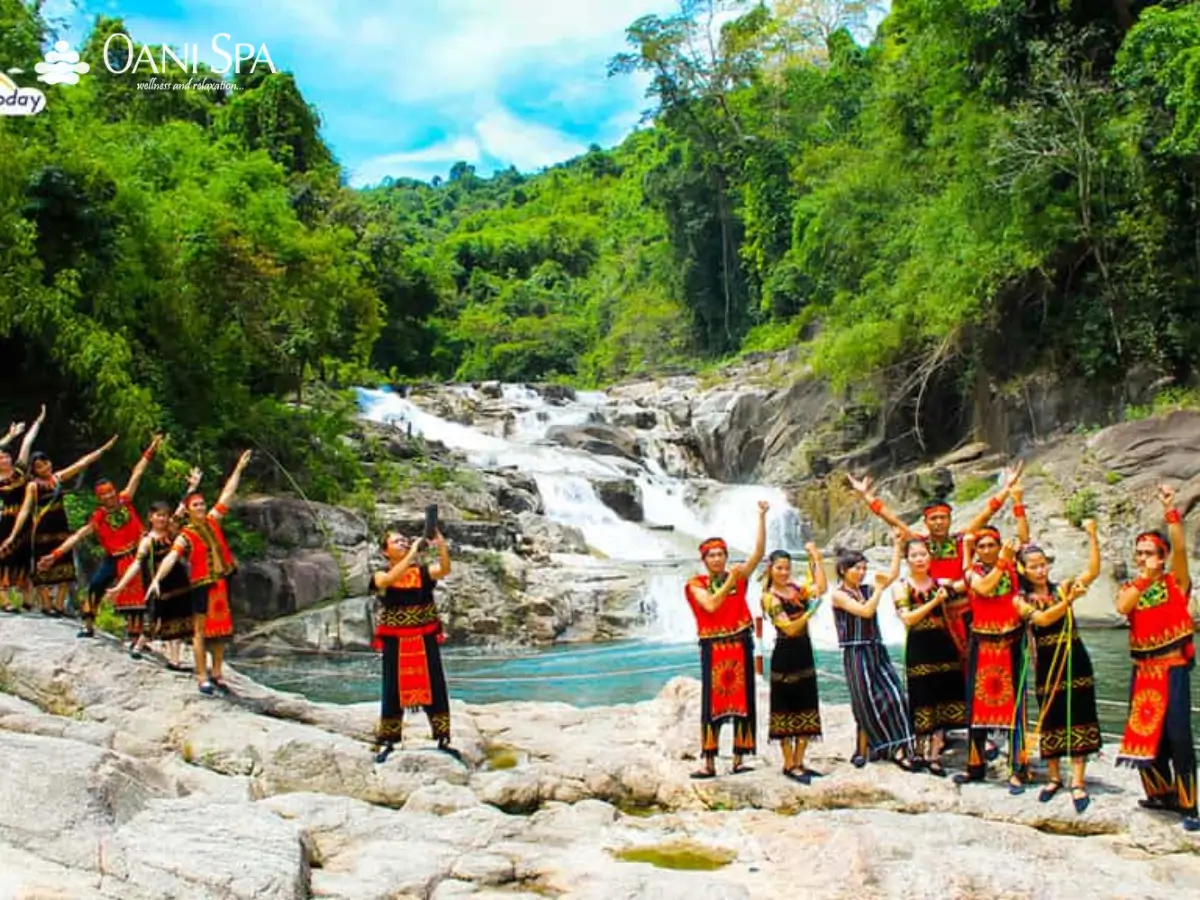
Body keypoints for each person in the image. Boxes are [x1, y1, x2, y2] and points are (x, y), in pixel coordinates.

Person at [1114, 484, 1198, 832]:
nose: (1142, 558)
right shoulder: (1132, 588)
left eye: (1149, 553)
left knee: (1178, 734)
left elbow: (1180, 548)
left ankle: (1190, 803)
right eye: (1139, 553)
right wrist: (1142, 580)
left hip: (1172, 668)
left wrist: (1171, 511)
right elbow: (1123, 608)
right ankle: (1160, 793)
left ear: (1161, 558)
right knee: (1146, 733)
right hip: (1143, 670)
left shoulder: (1175, 583)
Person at [1012, 505, 1102, 814]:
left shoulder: (1060, 587)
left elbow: (1091, 572)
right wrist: (1069, 601)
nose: (1040, 570)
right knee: (1050, 715)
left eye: (1043, 565)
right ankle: (1053, 777)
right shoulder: (1020, 599)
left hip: (1074, 656)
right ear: (1022, 569)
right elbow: (1044, 619)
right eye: (1033, 566)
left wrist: (1092, 536)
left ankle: (1078, 780)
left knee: (1079, 712)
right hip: (1046, 661)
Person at [37, 435, 162, 643]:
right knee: (95, 586)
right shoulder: (99, 516)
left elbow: (137, 473)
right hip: (114, 558)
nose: (109, 496)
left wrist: (151, 449)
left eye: (111, 492)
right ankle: (88, 626)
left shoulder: (125, 499)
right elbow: (78, 535)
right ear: (99, 497)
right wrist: (55, 554)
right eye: (104, 494)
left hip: (138, 555)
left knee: (140, 597)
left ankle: (137, 639)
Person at [146, 450, 251, 695]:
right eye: (196, 505)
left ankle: (217, 673)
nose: (201, 507)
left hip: (220, 581)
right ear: (189, 510)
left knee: (222, 630)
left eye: (202, 503)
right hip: (201, 585)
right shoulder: (186, 534)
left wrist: (238, 469)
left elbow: (227, 494)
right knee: (200, 632)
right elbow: (171, 557)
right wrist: (156, 580)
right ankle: (201, 675)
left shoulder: (213, 520)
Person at [684, 501, 769, 779]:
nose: (718, 559)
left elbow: (758, 554)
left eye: (721, 554)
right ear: (705, 560)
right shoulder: (695, 584)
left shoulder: (738, 576)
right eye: (712, 556)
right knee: (713, 702)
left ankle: (739, 758)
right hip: (714, 646)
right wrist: (731, 583)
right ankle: (708, 761)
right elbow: (709, 606)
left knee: (744, 700)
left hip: (740, 641)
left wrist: (761, 517)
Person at [0, 434, 119, 616]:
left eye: (46, 463)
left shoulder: (58, 478)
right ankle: (46, 603)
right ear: (34, 470)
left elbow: (81, 464)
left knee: (66, 567)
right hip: (40, 532)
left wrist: (103, 450)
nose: (45, 468)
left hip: (61, 529)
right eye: (39, 467)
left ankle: (60, 605)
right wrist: (14, 535)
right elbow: (24, 511)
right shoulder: (33, 486)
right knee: (41, 568)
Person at [104, 468, 204, 671]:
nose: (163, 519)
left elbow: (182, 508)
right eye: (158, 516)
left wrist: (193, 487)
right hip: (158, 585)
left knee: (178, 619)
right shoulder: (147, 541)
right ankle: (139, 646)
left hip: (178, 581)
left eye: (165, 516)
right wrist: (119, 587)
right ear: (150, 517)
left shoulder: (172, 530)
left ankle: (174, 661)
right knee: (155, 619)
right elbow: (136, 565)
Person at [956, 526, 1031, 792]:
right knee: (977, 706)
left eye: (991, 545)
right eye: (982, 547)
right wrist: (1002, 561)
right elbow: (985, 590)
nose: (986, 550)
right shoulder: (972, 573)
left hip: (1010, 644)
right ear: (976, 552)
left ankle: (1017, 770)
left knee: (1015, 706)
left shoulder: (1014, 569)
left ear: (999, 546)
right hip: (983, 645)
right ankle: (975, 766)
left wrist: (1018, 501)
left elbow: (1026, 541)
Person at [831, 536, 916, 770]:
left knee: (895, 695)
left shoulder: (867, 589)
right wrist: (878, 589)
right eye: (857, 568)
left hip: (876, 648)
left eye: (864, 568)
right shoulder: (839, 594)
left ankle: (899, 746)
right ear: (843, 570)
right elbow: (866, 612)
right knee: (865, 701)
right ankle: (865, 748)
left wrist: (898, 548)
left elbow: (891, 575)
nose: (862, 572)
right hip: (856, 651)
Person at [371, 528, 454, 763]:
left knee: (435, 684)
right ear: (385, 552)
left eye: (405, 541)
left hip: (423, 635)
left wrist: (441, 546)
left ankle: (442, 736)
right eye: (397, 542)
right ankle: (389, 739)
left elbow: (445, 569)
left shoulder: (423, 573)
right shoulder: (380, 574)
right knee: (392, 688)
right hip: (396, 639)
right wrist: (413, 554)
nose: (404, 543)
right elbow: (388, 581)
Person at [892, 537, 965, 775]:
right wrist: (935, 600)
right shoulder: (902, 586)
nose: (919, 559)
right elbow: (909, 619)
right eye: (914, 555)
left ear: (930, 557)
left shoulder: (941, 582)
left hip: (943, 646)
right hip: (919, 647)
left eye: (923, 554)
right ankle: (918, 751)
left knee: (943, 697)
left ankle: (935, 755)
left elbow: (967, 584)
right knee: (921, 696)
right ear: (907, 559)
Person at [762, 543, 827, 784]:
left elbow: (820, 588)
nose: (784, 572)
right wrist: (810, 613)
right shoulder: (769, 597)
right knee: (785, 708)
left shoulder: (795, 590)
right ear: (771, 569)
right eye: (779, 568)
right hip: (785, 653)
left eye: (787, 568)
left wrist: (817, 558)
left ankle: (800, 761)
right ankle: (788, 762)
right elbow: (788, 628)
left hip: (804, 651)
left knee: (806, 704)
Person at [0, 407, 41, 613]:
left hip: (24, 520)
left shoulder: (19, 472)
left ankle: (27, 599)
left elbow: (27, 444)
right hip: (4, 520)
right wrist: (9, 436)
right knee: (4, 559)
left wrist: (38, 423)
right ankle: (5, 600)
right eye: (0, 458)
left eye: (6, 457)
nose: (4, 460)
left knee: (24, 558)